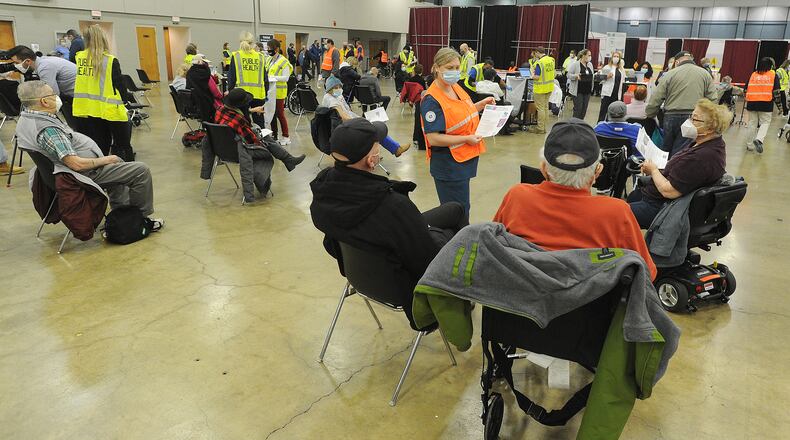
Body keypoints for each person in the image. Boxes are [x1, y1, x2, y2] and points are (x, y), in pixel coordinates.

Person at [309, 118, 469, 311]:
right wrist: (437, 234)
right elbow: (425, 260)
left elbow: (332, 244)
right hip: (401, 285)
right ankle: (462, 294)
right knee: (465, 237)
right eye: (377, 147)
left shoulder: (323, 191)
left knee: (454, 209)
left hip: (362, 271)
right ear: (371, 160)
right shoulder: (392, 205)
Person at [494, 118, 656, 280]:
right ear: (597, 172)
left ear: (543, 169)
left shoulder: (517, 197)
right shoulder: (617, 213)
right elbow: (647, 273)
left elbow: (494, 247)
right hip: (592, 296)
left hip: (523, 292)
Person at [16, 80, 162, 228]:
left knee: (117, 168)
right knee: (140, 170)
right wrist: (105, 160)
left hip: (57, 175)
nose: (56, 96)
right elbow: (76, 164)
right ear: (44, 102)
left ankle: (122, 215)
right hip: (79, 176)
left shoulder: (26, 119)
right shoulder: (48, 130)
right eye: (52, 94)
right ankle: (140, 220)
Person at [627, 99, 730, 228]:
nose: (689, 122)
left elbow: (669, 192)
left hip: (662, 207)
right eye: (691, 116)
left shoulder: (701, 157)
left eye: (694, 119)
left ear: (710, 129)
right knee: (632, 197)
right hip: (657, 196)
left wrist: (653, 170)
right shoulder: (708, 144)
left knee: (615, 214)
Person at [420, 47, 496, 217]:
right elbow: (433, 138)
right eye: (449, 68)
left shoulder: (455, 87)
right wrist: (467, 138)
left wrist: (480, 105)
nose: (454, 71)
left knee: (463, 207)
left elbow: (460, 113)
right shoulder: (431, 100)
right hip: (448, 164)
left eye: (456, 67)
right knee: (456, 213)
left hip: (463, 159)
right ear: (436, 68)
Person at [71, 24, 133, 161]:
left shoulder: (79, 58)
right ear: (103, 39)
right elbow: (120, 85)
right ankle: (129, 169)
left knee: (99, 146)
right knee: (123, 145)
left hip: (88, 109)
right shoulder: (110, 60)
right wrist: (125, 101)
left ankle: (102, 169)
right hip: (109, 109)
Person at [646, 50, 717, 158]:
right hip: (692, 118)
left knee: (665, 151)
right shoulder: (705, 74)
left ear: (677, 62)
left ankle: (663, 167)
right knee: (682, 152)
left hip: (670, 117)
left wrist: (650, 114)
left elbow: (657, 96)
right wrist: (706, 119)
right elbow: (713, 99)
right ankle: (675, 167)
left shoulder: (669, 74)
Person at [215, 88, 305, 171]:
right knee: (266, 142)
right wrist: (262, 143)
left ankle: (288, 160)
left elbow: (236, 119)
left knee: (264, 137)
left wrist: (252, 110)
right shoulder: (239, 120)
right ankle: (288, 160)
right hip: (239, 150)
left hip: (224, 147)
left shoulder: (220, 110)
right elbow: (251, 140)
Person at [322, 75, 410, 157]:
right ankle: (391, 150)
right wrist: (360, 121)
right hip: (346, 127)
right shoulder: (331, 100)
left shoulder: (335, 96)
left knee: (375, 127)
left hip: (349, 123)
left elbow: (347, 112)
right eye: (335, 88)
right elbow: (344, 117)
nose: (338, 89)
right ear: (329, 89)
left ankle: (382, 152)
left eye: (339, 87)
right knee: (375, 130)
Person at [7, 45, 78, 128]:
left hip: (75, 97)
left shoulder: (45, 67)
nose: (15, 66)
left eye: (16, 63)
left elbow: (52, 96)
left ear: (28, 61)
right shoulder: (43, 61)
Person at [227, 31, 269, 131]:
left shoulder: (236, 56)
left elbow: (231, 78)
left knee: (243, 123)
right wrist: (265, 93)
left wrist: (230, 93)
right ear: (252, 43)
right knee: (260, 125)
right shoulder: (260, 56)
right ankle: (262, 140)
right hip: (258, 95)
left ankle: (247, 140)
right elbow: (265, 79)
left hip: (241, 96)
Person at [744, 57, 780, 154]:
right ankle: (759, 139)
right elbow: (776, 92)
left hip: (752, 103)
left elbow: (745, 89)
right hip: (766, 103)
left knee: (752, 123)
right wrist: (780, 106)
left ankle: (749, 145)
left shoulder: (753, 74)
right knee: (765, 123)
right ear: (770, 66)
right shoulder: (773, 75)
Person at [265, 39, 293, 145]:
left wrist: (273, 77)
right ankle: (274, 135)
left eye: (269, 48)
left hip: (279, 92)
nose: (268, 50)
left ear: (276, 49)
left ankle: (286, 136)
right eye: (267, 48)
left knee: (280, 114)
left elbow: (286, 77)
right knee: (271, 114)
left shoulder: (284, 61)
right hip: (270, 92)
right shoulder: (269, 60)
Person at [186, 54, 223, 121]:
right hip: (207, 104)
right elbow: (215, 92)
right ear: (199, 62)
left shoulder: (189, 73)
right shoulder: (206, 74)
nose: (206, 64)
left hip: (193, 103)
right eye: (205, 62)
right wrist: (222, 96)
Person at [531, 46, 555, 134]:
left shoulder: (540, 62)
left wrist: (531, 76)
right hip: (549, 87)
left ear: (538, 52)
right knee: (545, 108)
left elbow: (537, 77)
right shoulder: (551, 60)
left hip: (540, 88)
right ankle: (544, 127)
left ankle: (540, 128)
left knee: (540, 109)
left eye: (535, 53)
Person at [597, 50, 625, 123]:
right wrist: (606, 77)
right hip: (607, 93)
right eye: (614, 56)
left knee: (613, 112)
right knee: (603, 112)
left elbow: (623, 81)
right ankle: (600, 125)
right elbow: (599, 79)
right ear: (612, 58)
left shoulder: (621, 69)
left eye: (617, 57)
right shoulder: (607, 67)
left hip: (616, 94)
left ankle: (610, 126)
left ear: (620, 59)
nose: (616, 58)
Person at [567, 48, 594, 120]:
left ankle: (581, 124)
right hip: (577, 91)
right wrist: (576, 76)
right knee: (578, 109)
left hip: (587, 91)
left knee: (584, 110)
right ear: (583, 55)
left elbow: (592, 76)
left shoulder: (590, 64)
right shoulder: (575, 64)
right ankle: (574, 124)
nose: (590, 57)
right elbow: (568, 75)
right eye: (589, 55)